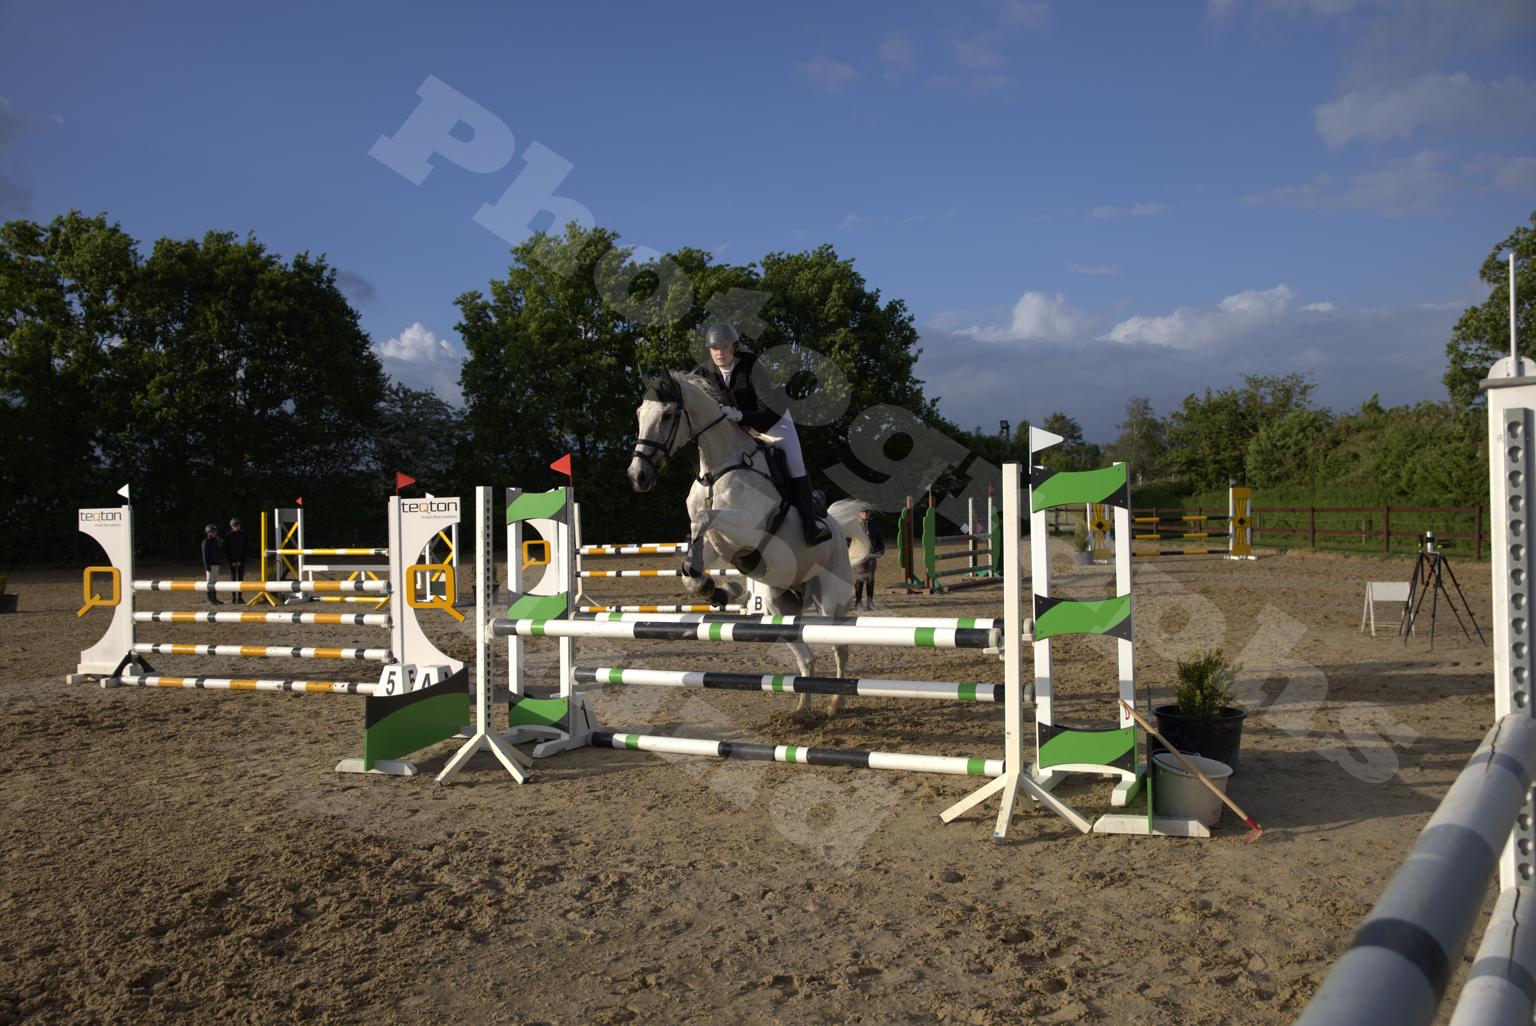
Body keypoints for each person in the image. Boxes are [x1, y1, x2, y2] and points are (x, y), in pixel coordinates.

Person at [692, 323, 830, 545]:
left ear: (734, 347)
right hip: (740, 429)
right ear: (709, 350)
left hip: (773, 423)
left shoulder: (752, 366)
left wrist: (740, 416)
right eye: (715, 348)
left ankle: (810, 524)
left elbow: (766, 410)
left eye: (725, 347)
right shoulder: (704, 372)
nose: (720, 352)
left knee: (795, 464)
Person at [852, 506, 886, 610]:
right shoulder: (854, 525)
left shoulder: (873, 524)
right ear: (859, 513)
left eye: (867, 512)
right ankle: (858, 603)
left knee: (870, 579)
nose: (865, 514)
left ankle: (870, 603)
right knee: (860, 578)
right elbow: (848, 541)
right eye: (863, 512)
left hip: (871, 555)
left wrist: (881, 549)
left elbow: (879, 538)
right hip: (859, 556)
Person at [224, 517, 248, 604]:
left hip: (241, 560)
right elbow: (226, 550)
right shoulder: (228, 536)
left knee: (241, 579)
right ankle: (233, 598)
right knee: (233, 579)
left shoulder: (243, 535)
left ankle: (240, 597)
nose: (236, 527)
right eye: (234, 525)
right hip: (232, 561)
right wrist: (231, 561)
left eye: (237, 525)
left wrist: (241, 560)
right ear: (231, 526)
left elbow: (245, 548)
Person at [201, 523, 224, 605]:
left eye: (215, 531)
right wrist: (207, 566)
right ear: (208, 532)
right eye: (213, 532)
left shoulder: (216, 540)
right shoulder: (206, 542)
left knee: (215, 582)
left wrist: (220, 542)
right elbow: (205, 555)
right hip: (210, 565)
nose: (215, 533)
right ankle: (209, 599)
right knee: (209, 582)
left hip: (216, 564)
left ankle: (214, 598)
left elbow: (219, 549)